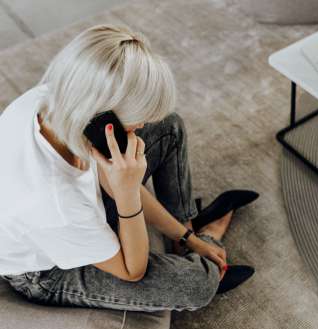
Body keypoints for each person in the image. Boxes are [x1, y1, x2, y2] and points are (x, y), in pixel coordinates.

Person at [0, 24, 257, 312]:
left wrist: (187, 238)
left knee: (168, 126)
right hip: (48, 269)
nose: (143, 125)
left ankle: (187, 232)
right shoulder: (54, 202)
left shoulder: (51, 100)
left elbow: (106, 180)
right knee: (195, 284)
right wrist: (126, 193)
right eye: (137, 117)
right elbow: (132, 270)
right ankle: (208, 247)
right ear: (100, 120)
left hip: (70, 212)